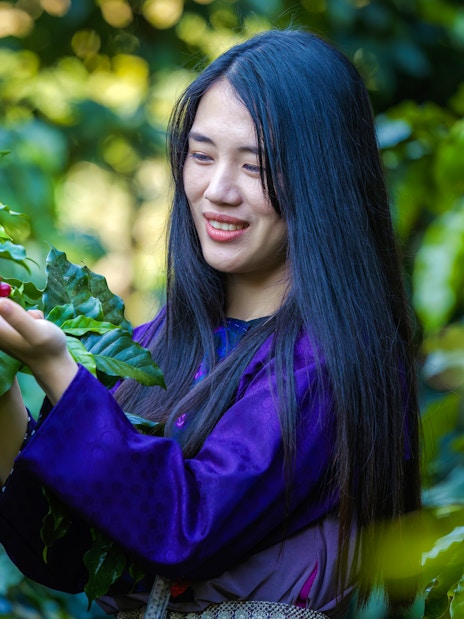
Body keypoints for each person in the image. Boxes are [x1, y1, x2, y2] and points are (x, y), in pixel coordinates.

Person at [0, 28, 421, 619]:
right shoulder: (154, 345)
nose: (217, 191)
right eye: (201, 155)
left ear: (323, 179)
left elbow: (186, 525)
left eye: (257, 165)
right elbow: (62, 560)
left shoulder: (330, 366)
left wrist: (55, 368)